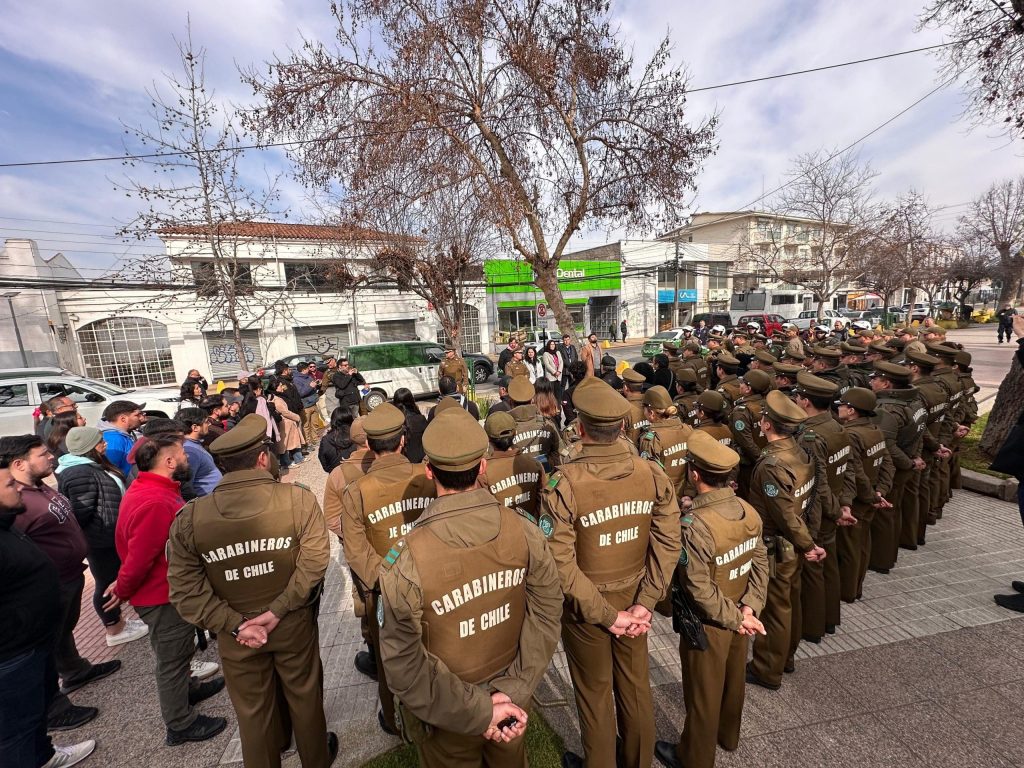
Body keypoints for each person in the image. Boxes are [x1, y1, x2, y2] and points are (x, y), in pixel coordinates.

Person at [376, 405, 563, 768]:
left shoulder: (407, 558)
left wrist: (481, 709)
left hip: (448, 715)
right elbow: (547, 610)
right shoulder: (523, 528)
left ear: (429, 470)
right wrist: (512, 692)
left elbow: (403, 663)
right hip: (509, 701)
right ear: (482, 466)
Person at [167, 414, 336, 768]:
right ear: (262, 458)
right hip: (291, 623)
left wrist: (236, 624)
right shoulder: (298, 500)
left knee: (253, 716)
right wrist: (278, 609)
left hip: (235, 634)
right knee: (305, 699)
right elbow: (315, 561)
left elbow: (185, 591)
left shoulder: (191, 517)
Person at [540, 378, 680, 768]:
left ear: (580, 429)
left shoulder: (564, 482)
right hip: (634, 598)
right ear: (621, 426)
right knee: (635, 687)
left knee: (594, 692)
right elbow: (668, 543)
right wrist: (645, 604)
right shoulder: (651, 473)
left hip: (588, 607)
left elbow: (559, 561)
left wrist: (606, 615)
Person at [654, 432, 768, 768]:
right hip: (740, 611)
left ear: (694, 474)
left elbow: (699, 588)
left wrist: (735, 616)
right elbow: (760, 561)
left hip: (710, 622)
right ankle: (728, 736)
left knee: (702, 693)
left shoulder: (695, 525)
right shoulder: (747, 510)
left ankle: (694, 758)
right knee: (733, 680)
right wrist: (751, 607)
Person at [111, 433, 228, 746]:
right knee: (172, 659)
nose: (188, 459)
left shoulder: (155, 490)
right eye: (183, 455)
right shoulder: (154, 502)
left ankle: (189, 689)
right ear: (169, 461)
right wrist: (122, 589)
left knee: (181, 650)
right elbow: (139, 559)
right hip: (161, 596)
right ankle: (180, 722)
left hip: (169, 591)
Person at [0, 434, 122, 734]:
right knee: (46, 644)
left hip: (68, 576)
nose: (52, 457)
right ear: (19, 463)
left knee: (63, 630)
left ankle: (76, 671)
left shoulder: (39, 487)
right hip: (45, 585)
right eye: (42, 454)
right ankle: (54, 710)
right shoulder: (16, 502)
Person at [340, 404, 437, 734]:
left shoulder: (357, 492)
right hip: (430, 582)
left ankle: (395, 721)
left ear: (368, 444)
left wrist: (385, 583)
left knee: (388, 658)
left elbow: (356, 552)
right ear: (403, 440)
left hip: (384, 594)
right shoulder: (425, 476)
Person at [0, 456, 97, 768]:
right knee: (16, 730)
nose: (18, 487)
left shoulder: (7, 524)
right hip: (13, 653)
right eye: (10, 484)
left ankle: (45, 755)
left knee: (36, 715)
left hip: (33, 642)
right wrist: (21, 627)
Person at [745, 392, 824, 690]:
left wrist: (808, 545)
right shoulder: (801, 453)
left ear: (766, 424)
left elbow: (784, 515)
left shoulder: (772, 465)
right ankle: (786, 657)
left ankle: (767, 668)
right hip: (795, 542)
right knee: (790, 603)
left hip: (778, 546)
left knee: (775, 609)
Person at [55, 427, 148, 648]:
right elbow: (81, 512)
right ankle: (114, 628)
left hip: (110, 535)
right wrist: (100, 532)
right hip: (102, 540)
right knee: (106, 583)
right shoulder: (79, 473)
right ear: (91, 447)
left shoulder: (90, 466)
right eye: (100, 441)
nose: (104, 444)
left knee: (113, 579)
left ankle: (121, 623)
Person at [792, 372, 855, 644]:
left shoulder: (810, 436)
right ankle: (829, 619)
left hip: (818, 512)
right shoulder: (837, 427)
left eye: (797, 397)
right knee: (828, 566)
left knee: (812, 572)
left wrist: (835, 510)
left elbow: (817, 482)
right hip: (834, 506)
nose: (794, 400)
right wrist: (845, 504)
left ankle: (812, 627)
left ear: (805, 401)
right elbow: (848, 469)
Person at [835, 388, 894, 603]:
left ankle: (847, 591)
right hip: (871, 497)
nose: (839, 408)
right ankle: (856, 586)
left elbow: (856, 472)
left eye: (842, 405)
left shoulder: (850, 434)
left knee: (850, 548)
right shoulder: (875, 430)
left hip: (859, 500)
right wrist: (881, 491)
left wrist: (872, 496)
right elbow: (887, 463)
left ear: (851, 411)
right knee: (862, 544)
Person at [868, 361, 926, 574]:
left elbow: (885, 445)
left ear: (886, 383)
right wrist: (915, 458)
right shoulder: (914, 400)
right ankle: (888, 555)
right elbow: (920, 430)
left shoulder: (888, 410)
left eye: (875, 379)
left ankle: (880, 560)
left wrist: (909, 462)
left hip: (891, 469)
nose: (871, 381)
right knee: (894, 510)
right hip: (906, 463)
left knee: (883, 515)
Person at [479, 412, 547, 521]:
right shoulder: (534, 464)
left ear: (488, 438)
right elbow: (543, 502)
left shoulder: (484, 472)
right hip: (531, 531)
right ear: (515, 433)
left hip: (503, 534)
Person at [637, 385, 693, 501]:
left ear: (651, 413)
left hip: (664, 500)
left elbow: (650, 477)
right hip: (685, 497)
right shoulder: (688, 430)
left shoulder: (652, 439)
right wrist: (689, 493)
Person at [729, 369, 770, 499]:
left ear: (748, 389)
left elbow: (745, 442)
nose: (740, 385)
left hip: (748, 464)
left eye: (743, 383)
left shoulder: (742, 411)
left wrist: (759, 460)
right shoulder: (766, 404)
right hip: (765, 457)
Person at [507, 376, 562, 471]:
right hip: (547, 478)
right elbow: (560, 453)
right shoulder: (547, 424)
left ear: (510, 401)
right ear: (532, 399)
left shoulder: (505, 428)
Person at [174, 408, 223, 497]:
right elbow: (186, 487)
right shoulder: (190, 452)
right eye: (206, 422)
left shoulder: (194, 445)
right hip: (206, 503)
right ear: (195, 427)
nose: (209, 424)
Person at [100, 400, 144, 477]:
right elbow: (111, 471)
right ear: (123, 419)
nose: (141, 418)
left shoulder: (123, 435)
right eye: (137, 415)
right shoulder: (114, 439)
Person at [267, 381, 304, 468]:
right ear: (275, 388)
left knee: (293, 442)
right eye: (280, 386)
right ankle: (286, 463)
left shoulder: (280, 396)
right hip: (285, 423)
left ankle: (298, 458)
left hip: (288, 422)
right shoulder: (276, 399)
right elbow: (284, 412)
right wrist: (296, 417)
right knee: (284, 445)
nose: (282, 387)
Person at [319, 406, 357, 472]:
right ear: (351, 420)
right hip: (357, 473)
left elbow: (324, 464)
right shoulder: (356, 436)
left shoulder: (325, 440)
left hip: (336, 476)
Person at [292, 361, 322, 446]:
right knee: (306, 425)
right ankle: (308, 442)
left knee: (315, 424)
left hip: (313, 403)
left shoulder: (308, 376)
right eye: (308, 368)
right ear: (304, 369)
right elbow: (300, 393)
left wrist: (317, 384)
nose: (310, 369)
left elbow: (312, 386)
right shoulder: (296, 380)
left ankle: (315, 439)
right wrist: (310, 386)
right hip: (305, 406)